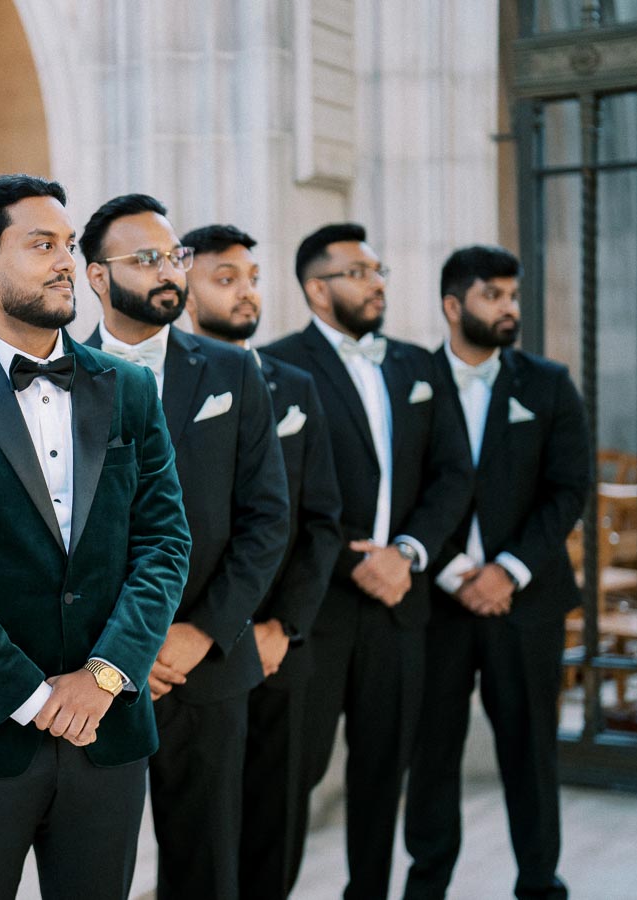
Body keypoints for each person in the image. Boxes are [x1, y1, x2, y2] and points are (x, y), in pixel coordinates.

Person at [0, 174, 191, 899]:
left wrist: (106, 674)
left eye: (69, 245)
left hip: (107, 728)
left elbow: (164, 543)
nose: (63, 263)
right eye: (41, 244)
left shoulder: (128, 389)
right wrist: (32, 695)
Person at [79, 196, 291, 899]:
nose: (167, 271)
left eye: (173, 257)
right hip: (95, 668)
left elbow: (267, 519)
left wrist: (202, 630)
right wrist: (126, 646)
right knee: (91, 868)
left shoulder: (232, 375)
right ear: (98, 278)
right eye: (144, 259)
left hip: (207, 664)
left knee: (205, 869)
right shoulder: (57, 375)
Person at [261, 222, 472, 900]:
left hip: (399, 604)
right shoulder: (273, 365)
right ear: (318, 289)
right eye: (359, 272)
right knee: (291, 779)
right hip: (313, 607)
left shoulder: (418, 366)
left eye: (379, 270)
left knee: (383, 776)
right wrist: (358, 558)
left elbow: (453, 475)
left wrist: (406, 554)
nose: (378, 281)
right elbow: (276, 493)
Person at [403, 246, 589, 900]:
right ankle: (427, 886)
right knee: (431, 757)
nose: (509, 308)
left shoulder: (548, 382)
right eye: (493, 296)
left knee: (532, 754)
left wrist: (506, 572)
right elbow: (399, 488)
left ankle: (540, 885)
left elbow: (569, 489)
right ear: (454, 305)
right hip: (433, 600)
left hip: (525, 601)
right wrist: (455, 571)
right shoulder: (410, 380)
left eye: (513, 295)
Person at [181, 223, 343, 899]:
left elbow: (321, 520)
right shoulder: (165, 384)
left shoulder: (294, 385)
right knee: (200, 829)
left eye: (251, 277)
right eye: (226, 279)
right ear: (182, 286)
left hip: (280, 641)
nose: (246, 292)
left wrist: (284, 627)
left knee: (278, 818)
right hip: (197, 645)